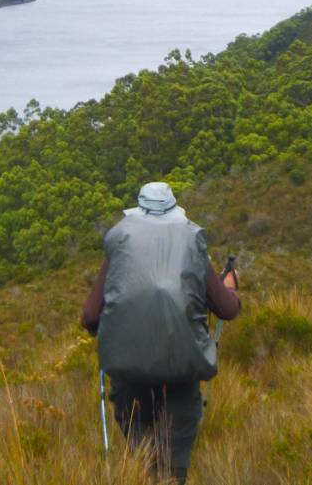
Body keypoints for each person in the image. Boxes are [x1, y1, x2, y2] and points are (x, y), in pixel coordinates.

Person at [81, 182, 240, 484]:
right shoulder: (192, 242)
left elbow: (90, 315)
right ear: (174, 211)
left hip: (129, 371)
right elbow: (227, 309)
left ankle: (144, 473)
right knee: (175, 449)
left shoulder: (120, 243)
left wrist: (98, 330)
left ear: (138, 213)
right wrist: (231, 287)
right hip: (182, 368)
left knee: (141, 444)